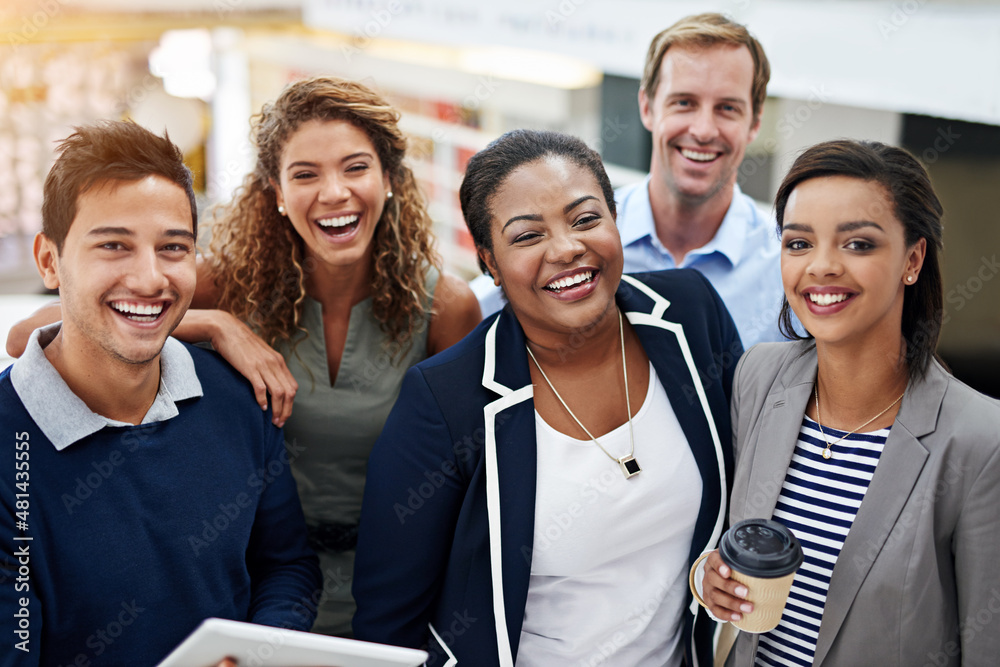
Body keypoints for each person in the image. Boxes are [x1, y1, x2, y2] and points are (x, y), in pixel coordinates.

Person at [5, 77, 482, 636]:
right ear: (276, 192)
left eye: (356, 167)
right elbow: (30, 335)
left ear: (390, 180)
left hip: (396, 579)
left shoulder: (445, 306)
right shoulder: (227, 285)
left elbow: (466, 475)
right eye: (305, 174)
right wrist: (213, 321)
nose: (333, 192)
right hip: (264, 579)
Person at [353, 129, 743, 666]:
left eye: (586, 219)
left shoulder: (691, 312)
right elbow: (387, 627)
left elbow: (745, 481)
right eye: (527, 236)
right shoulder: (443, 402)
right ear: (489, 262)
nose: (566, 248)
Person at [0, 120, 321, 667]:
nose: (150, 279)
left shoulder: (237, 397)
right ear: (50, 261)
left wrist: (256, 653)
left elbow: (286, 567)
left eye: (173, 247)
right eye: (113, 246)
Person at [699, 140, 1000, 666]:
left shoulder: (979, 440)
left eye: (858, 245)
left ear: (913, 259)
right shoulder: (760, 377)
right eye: (798, 244)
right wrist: (710, 578)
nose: (821, 267)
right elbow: (726, 535)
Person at [472, 13, 789, 348]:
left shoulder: (784, 270)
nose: (703, 130)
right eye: (684, 102)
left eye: (727, 108)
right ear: (647, 106)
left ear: (754, 123)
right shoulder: (583, 236)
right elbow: (480, 306)